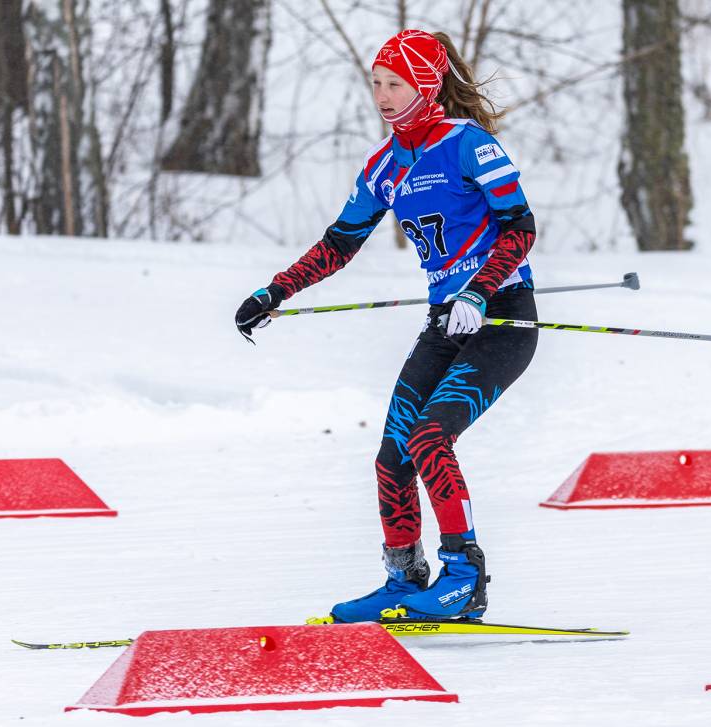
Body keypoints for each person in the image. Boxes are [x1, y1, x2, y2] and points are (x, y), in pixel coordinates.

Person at [235, 29, 538, 622]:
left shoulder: (469, 145)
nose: (382, 94)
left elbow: (520, 226)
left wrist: (478, 291)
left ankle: (465, 577)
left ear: (427, 84)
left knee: (429, 438)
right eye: (376, 83)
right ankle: (404, 578)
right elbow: (340, 243)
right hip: (445, 324)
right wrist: (277, 289)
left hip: (501, 319)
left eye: (394, 83)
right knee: (392, 456)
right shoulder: (383, 164)